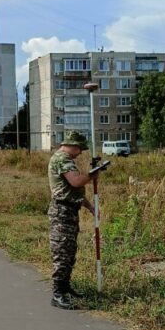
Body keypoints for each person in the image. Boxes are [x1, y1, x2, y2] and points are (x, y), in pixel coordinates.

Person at [47, 130, 98, 310]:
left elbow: (73, 191)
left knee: (69, 252)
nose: (81, 152)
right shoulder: (61, 159)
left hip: (68, 211)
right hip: (61, 212)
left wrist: (90, 207)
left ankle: (65, 287)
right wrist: (92, 175)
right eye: (80, 148)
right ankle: (57, 294)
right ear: (73, 145)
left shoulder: (66, 160)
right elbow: (76, 182)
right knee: (62, 253)